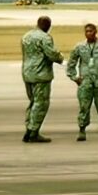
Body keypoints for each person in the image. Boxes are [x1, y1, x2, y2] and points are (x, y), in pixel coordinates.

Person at [68, 22, 98, 141]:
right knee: (84, 107)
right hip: (85, 82)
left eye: (91, 31)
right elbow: (71, 63)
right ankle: (82, 130)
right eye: (86, 31)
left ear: (95, 32)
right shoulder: (79, 47)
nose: (88, 33)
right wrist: (74, 77)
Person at [20, 14, 64, 142]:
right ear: (47, 26)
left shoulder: (26, 36)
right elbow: (51, 53)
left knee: (33, 102)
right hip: (41, 74)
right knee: (41, 103)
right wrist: (60, 57)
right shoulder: (45, 38)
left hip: (27, 73)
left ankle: (28, 129)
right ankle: (33, 132)